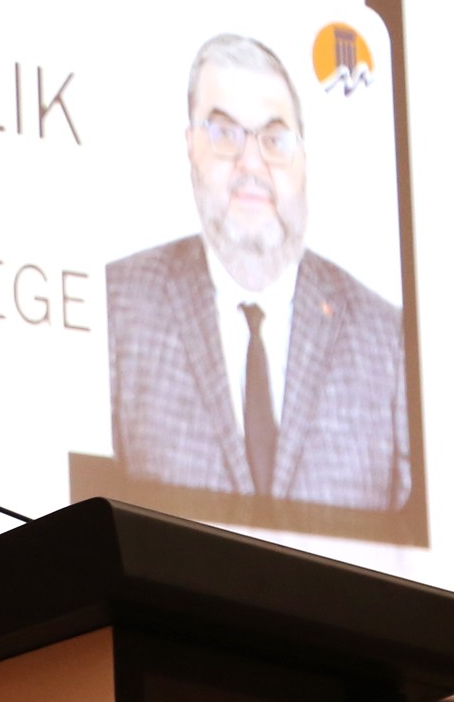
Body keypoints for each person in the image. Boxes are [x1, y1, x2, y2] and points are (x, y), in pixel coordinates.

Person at [105, 34, 410, 521]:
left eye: (273, 139)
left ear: (303, 158)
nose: (251, 163)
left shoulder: (387, 340)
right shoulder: (118, 308)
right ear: (191, 147)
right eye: (225, 133)